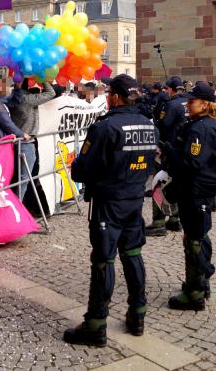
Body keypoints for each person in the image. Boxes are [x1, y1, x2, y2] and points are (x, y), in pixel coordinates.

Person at [63, 75, 157, 346]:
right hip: (134, 199)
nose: (105, 97)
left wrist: (77, 164)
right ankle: (138, 314)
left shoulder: (106, 127)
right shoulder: (148, 125)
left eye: (108, 93)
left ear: (115, 96)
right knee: (133, 254)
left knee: (104, 260)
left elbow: (82, 170)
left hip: (109, 202)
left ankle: (95, 323)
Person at [162, 81, 216, 311]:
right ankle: (200, 283)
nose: (187, 104)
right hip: (206, 190)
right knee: (200, 235)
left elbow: (192, 163)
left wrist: (171, 153)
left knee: (194, 239)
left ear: (205, 103)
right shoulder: (211, 124)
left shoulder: (201, 129)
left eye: (192, 100)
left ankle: (195, 291)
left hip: (196, 191)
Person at [147, 76, 186, 236]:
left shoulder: (171, 104)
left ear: (170, 89)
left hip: (168, 147)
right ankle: (175, 218)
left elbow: (163, 124)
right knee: (176, 183)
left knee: (159, 181)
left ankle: (158, 221)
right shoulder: (188, 100)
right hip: (182, 148)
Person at [7, 79, 56, 200]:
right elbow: (51, 93)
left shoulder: (11, 98)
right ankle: (18, 209)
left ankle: (16, 206)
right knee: (24, 178)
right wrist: (41, 78)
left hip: (14, 141)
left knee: (16, 177)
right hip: (26, 141)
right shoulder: (28, 99)